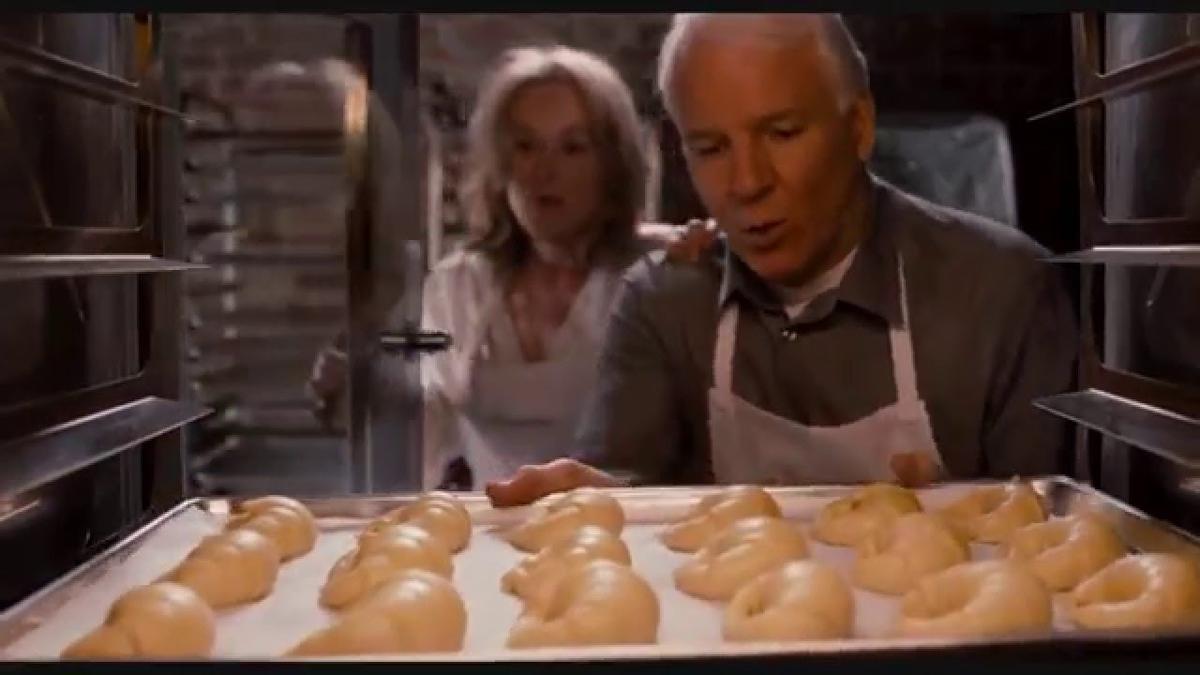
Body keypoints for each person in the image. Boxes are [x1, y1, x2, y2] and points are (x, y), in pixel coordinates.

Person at [486, 13, 1079, 507]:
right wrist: (591, 500)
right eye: (711, 148)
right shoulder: (668, 303)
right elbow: (622, 494)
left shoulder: (999, 293)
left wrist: (955, 522)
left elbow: (1047, 546)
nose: (746, 183)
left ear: (859, 127)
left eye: (783, 133)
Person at [307, 45, 715, 490]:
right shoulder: (461, 286)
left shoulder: (659, 270)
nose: (545, 171)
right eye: (525, 146)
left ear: (612, 165)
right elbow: (428, 435)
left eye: (573, 148)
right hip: (500, 540)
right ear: (500, 164)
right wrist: (360, 398)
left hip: (623, 535)